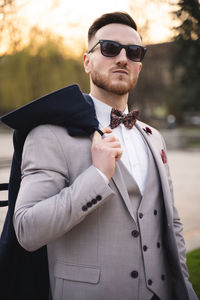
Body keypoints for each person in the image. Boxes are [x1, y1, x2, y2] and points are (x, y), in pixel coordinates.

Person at [13, 12, 197, 300]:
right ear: (87, 61)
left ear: (139, 66)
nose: (123, 58)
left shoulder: (153, 137)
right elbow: (26, 229)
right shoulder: (49, 134)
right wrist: (97, 176)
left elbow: (171, 225)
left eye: (134, 52)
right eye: (110, 48)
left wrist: (185, 290)